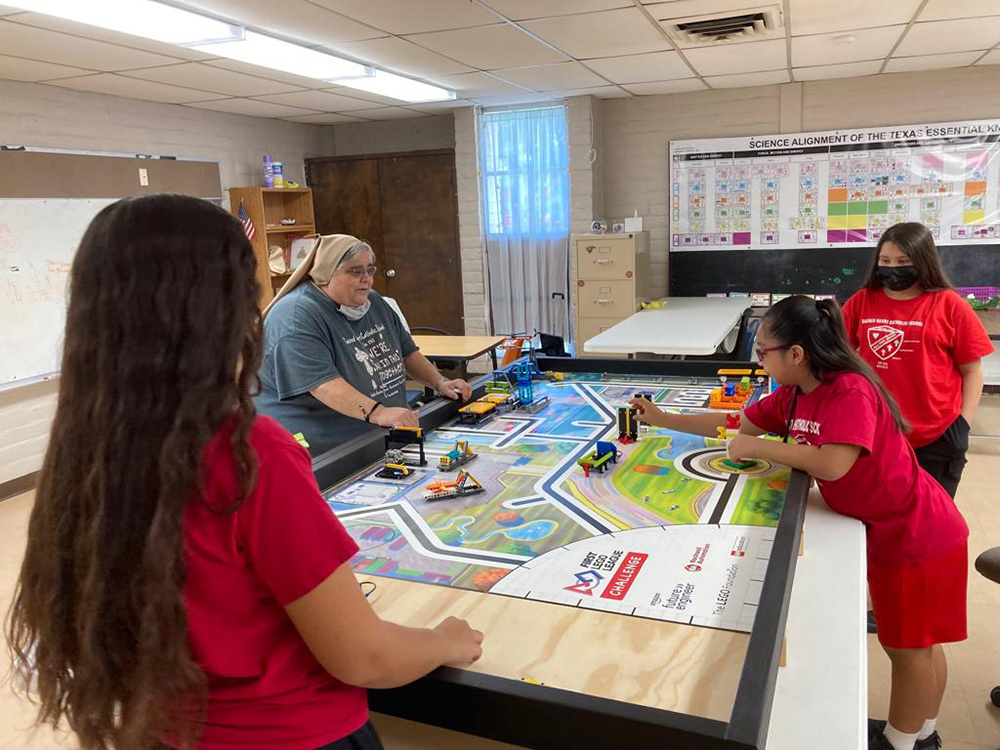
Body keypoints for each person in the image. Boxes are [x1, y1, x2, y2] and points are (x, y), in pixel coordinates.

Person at [6, 195, 483, 750]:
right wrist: (444, 640)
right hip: (296, 734)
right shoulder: (249, 452)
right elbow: (365, 656)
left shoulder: (85, 445)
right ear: (224, 307)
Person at [629, 295, 968, 750]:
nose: (757, 358)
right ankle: (921, 732)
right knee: (919, 644)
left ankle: (903, 743)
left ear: (796, 354)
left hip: (917, 533)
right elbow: (737, 422)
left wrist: (760, 449)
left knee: (908, 649)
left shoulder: (849, 390)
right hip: (888, 530)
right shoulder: (795, 391)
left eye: (763, 350)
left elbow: (832, 464)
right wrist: (663, 418)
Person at [257, 234, 472, 455]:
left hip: (379, 433)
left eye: (370, 270)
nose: (366, 279)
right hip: (324, 450)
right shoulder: (295, 315)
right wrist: (379, 413)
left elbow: (407, 353)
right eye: (355, 271)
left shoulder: (374, 302)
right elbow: (323, 385)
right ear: (326, 272)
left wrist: (439, 382)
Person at [843, 222, 993, 500]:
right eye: (885, 261)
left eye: (903, 261)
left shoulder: (950, 304)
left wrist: (963, 424)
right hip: (875, 433)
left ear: (923, 262)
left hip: (936, 436)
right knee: (875, 516)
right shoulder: (861, 302)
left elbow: (972, 371)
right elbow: (839, 355)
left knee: (929, 522)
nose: (892, 269)